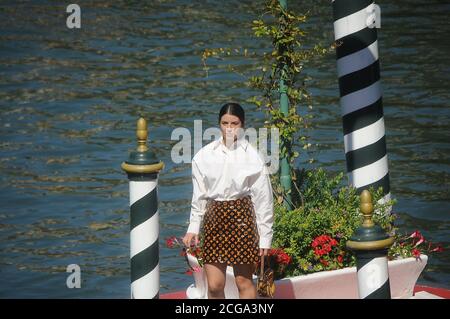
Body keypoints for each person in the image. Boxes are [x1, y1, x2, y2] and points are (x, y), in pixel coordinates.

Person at [183, 102, 274, 299]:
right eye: (225, 123)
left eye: (235, 123)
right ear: (219, 124)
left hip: (242, 219)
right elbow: (199, 195)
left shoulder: (253, 156)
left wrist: (265, 236)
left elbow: (263, 199)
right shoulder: (203, 156)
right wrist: (193, 228)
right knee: (215, 285)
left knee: (244, 281)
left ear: (243, 124)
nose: (230, 128)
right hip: (214, 219)